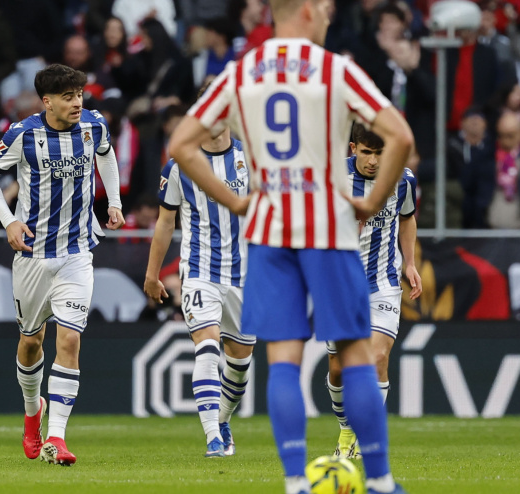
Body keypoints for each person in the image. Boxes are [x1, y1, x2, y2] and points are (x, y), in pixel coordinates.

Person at [167, 0, 414, 493]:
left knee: (284, 360)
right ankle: (381, 480)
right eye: (324, 9)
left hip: (269, 232)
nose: (328, 17)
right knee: (356, 355)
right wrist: (371, 202)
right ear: (305, 10)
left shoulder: (240, 73)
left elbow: (180, 146)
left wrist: (236, 202)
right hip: (327, 228)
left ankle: (296, 482)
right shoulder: (335, 70)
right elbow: (400, 136)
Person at [0, 64, 125, 466]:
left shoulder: (94, 125)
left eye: (79, 95)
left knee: (70, 339)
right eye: (67, 97)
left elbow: (107, 156)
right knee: (30, 341)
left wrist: (113, 201)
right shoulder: (23, 134)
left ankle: (57, 437)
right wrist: (9, 221)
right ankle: (32, 412)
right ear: (47, 101)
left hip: (77, 252)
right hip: (33, 254)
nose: (77, 103)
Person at [146, 114, 255, 457]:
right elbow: (166, 223)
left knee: (240, 366)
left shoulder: (252, 159)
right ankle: (213, 439)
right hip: (199, 271)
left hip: (246, 276)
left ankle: (222, 419)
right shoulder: (180, 165)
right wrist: (152, 273)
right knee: (207, 347)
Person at [324, 123, 422, 459]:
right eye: (367, 152)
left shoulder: (403, 179)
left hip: (383, 283)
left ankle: (361, 439)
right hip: (338, 285)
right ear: (353, 148)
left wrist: (410, 263)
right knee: (338, 369)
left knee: (377, 357)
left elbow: (407, 218)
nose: (373, 161)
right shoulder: (332, 179)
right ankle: (345, 429)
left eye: (380, 153)